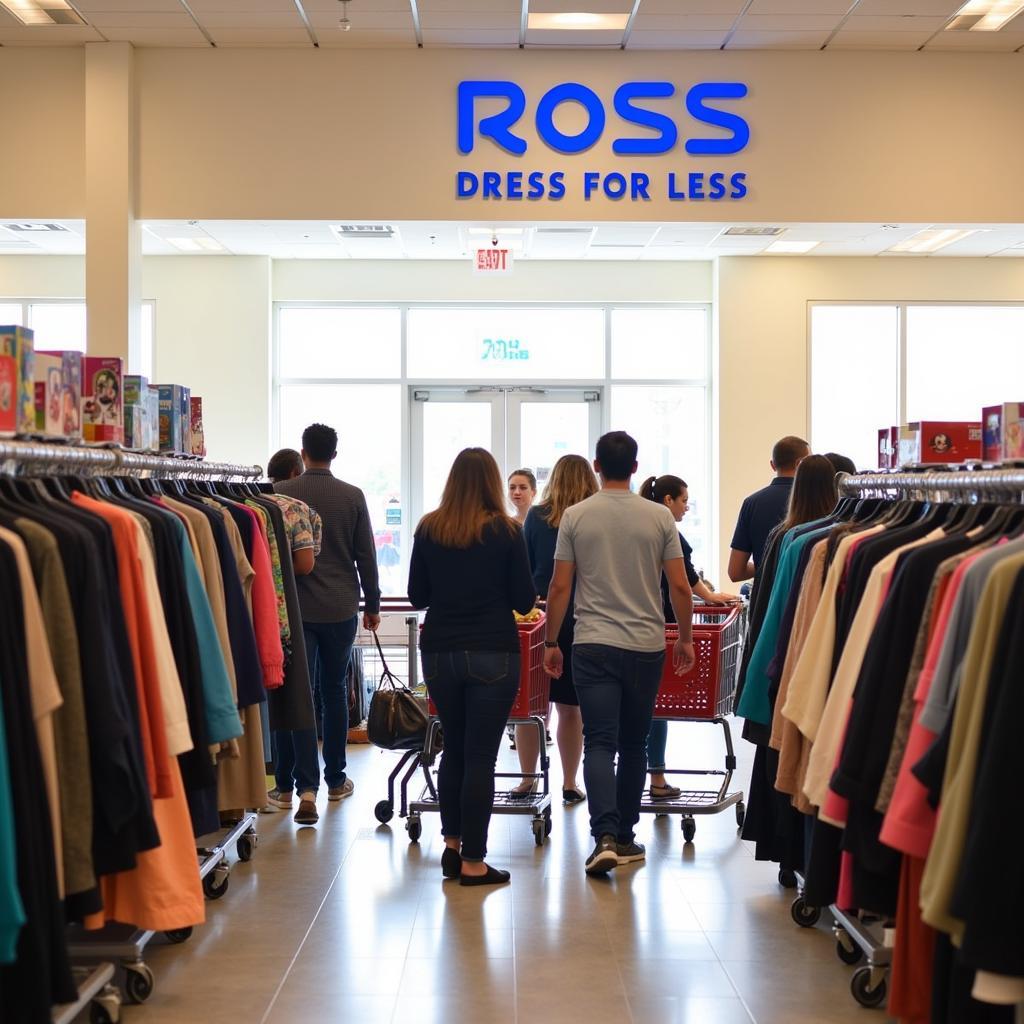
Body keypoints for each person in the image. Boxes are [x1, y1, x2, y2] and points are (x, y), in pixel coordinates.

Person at [543, 431, 696, 877]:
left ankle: (603, 836)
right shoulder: (658, 517)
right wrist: (684, 638)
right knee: (633, 743)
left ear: (596, 465)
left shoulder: (575, 515)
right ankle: (626, 838)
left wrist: (552, 642)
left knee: (600, 741)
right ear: (634, 467)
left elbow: (559, 586)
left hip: (591, 644)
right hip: (645, 645)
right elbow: (680, 585)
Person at [408, 448, 536, 886]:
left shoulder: (429, 527)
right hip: (493, 653)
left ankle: (451, 845)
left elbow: (417, 595)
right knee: (482, 755)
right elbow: (523, 599)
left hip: (440, 651)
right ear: (491, 482)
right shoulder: (506, 530)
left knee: (456, 750)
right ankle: (475, 862)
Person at [272, 423, 381, 826]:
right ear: (334, 454)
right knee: (334, 691)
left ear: (303, 453)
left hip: (298, 609)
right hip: (340, 606)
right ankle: (336, 778)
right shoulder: (352, 496)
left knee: (297, 693)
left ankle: (299, 786)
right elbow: (365, 555)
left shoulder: (282, 495)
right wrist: (372, 602)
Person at [640, 474, 740, 799]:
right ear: (668, 500)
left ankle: (642, 775)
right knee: (658, 705)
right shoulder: (666, 529)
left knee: (645, 706)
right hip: (663, 627)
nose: (686, 506)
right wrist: (709, 598)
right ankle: (656, 777)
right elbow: (684, 577)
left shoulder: (638, 526)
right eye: (683, 500)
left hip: (632, 624)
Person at [516, 454, 598, 804]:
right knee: (570, 708)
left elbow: (526, 566)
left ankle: (528, 779)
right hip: (584, 617)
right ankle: (569, 781)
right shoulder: (595, 515)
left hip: (542, 617)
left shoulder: (536, 516)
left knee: (531, 706)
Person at [728, 435, 810, 583]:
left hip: (764, 600)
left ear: (773, 465)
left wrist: (765, 565)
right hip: (802, 596)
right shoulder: (816, 501)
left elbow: (735, 572)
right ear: (800, 464)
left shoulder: (751, 503)